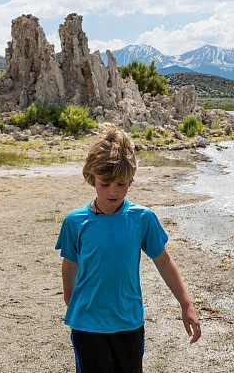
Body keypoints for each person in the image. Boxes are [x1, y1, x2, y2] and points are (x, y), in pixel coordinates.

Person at [55, 125, 201, 372]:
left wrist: (186, 305)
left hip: (129, 323)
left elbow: (163, 261)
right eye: (105, 184)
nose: (113, 191)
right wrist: (73, 306)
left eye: (122, 184)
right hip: (87, 324)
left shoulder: (142, 218)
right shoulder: (75, 222)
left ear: (131, 180)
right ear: (92, 179)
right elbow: (70, 265)